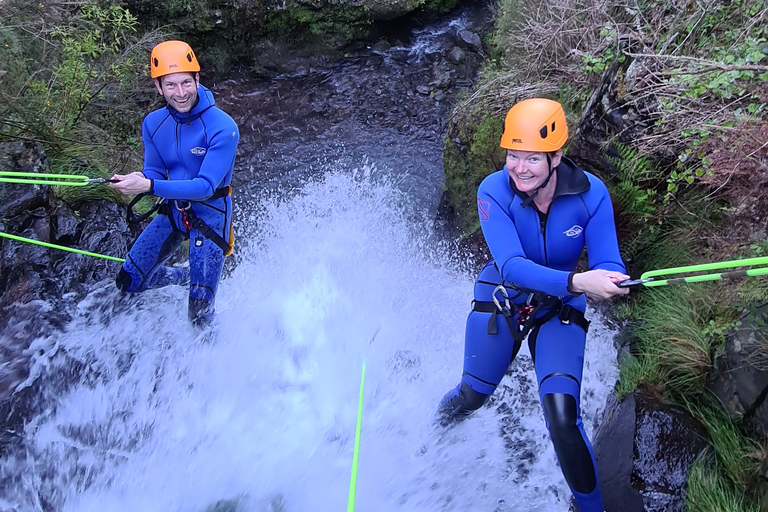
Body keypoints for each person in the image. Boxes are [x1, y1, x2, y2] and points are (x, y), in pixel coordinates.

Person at [437, 98, 628, 512]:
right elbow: (512, 266)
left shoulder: (591, 196)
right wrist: (578, 282)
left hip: (558, 309)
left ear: (556, 156)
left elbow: (607, 258)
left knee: (562, 417)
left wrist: (611, 278)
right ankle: (430, 437)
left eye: (531, 158)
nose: (519, 167)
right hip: (504, 298)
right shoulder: (492, 190)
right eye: (512, 155)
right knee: (471, 395)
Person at [109, 40, 239, 327]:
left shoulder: (222, 127)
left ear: (197, 79)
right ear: (158, 87)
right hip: (174, 211)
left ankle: (215, 362)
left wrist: (149, 187)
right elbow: (154, 171)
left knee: (199, 315)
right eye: (170, 85)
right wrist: (139, 179)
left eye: (185, 83)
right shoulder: (153, 124)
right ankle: (183, 276)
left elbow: (205, 186)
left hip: (211, 214)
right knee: (128, 280)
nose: (180, 93)